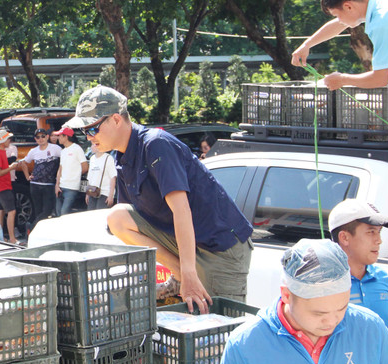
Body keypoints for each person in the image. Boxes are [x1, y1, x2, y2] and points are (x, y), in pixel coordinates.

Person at [67, 85, 253, 313]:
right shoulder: (122, 157)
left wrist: (190, 273)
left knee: (216, 335)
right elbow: (137, 224)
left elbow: (181, 211)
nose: (88, 137)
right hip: (188, 247)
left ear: (116, 119)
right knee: (117, 218)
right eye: (84, 131)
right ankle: (180, 275)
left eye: (92, 129)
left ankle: (185, 275)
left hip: (220, 249)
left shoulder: (156, 144)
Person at [213, 238, 388, 364]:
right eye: (319, 313)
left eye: (341, 308)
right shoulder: (246, 344)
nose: (332, 321)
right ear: (287, 295)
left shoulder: (369, 330)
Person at [291, 0, 388, 90]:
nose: (339, 20)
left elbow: (379, 79)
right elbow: (339, 24)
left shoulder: (382, 23)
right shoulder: (381, 6)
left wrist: (342, 79)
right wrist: (306, 45)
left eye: (337, 15)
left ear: (348, 7)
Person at [329, 198, 388, 336]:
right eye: (371, 232)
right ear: (344, 237)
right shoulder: (324, 281)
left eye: (379, 232)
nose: (379, 240)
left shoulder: (381, 276)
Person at [20, 128, 61, 230]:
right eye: (38, 137)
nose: (41, 139)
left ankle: (32, 227)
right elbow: (23, 163)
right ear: (35, 139)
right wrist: (27, 176)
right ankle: (39, 230)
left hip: (49, 185)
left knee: (47, 210)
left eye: (43, 136)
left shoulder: (55, 148)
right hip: (35, 184)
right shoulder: (33, 151)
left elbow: (64, 161)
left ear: (47, 137)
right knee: (38, 210)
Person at [0, 129, 20, 244]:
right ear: (2, 141)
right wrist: (11, 167)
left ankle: (0, 238)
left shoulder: (0, 151)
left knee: (0, 211)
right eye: (8, 138)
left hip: (2, 185)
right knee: (12, 211)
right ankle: (12, 239)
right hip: (2, 186)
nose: (10, 140)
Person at [55, 126, 88, 216]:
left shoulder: (77, 148)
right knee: (58, 213)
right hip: (61, 186)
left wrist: (75, 175)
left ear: (66, 137)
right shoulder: (63, 151)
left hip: (72, 187)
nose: (58, 138)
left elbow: (85, 167)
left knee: (64, 213)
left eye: (60, 136)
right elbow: (60, 168)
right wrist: (57, 185)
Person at [85, 142, 117, 210]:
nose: (92, 147)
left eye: (94, 144)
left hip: (104, 193)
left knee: (100, 215)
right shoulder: (92, 158)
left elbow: (113, 177)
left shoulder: (108, 158)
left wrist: (111, 195)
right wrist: (87, 194)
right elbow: (90, 177)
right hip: (92, 192)